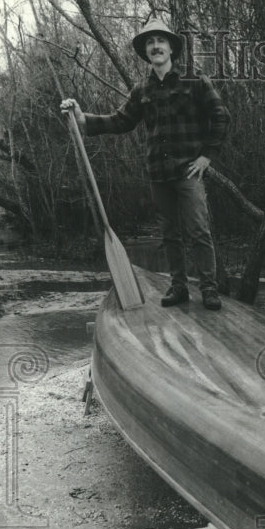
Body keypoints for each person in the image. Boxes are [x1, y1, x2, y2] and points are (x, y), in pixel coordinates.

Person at [61, 17, 230, 310]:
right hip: (158, 174)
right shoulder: (142, 89)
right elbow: (121, 121)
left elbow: (221, 117)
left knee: (198, 230)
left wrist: (206, 156)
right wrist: (82, 118)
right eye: (150, 43)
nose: (155, 47)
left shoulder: (195, 81)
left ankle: (209, 288)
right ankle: (178, 288)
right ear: (146, 52)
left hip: (189, 170)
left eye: (160, 41)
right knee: (170, 234)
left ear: (171, 48)